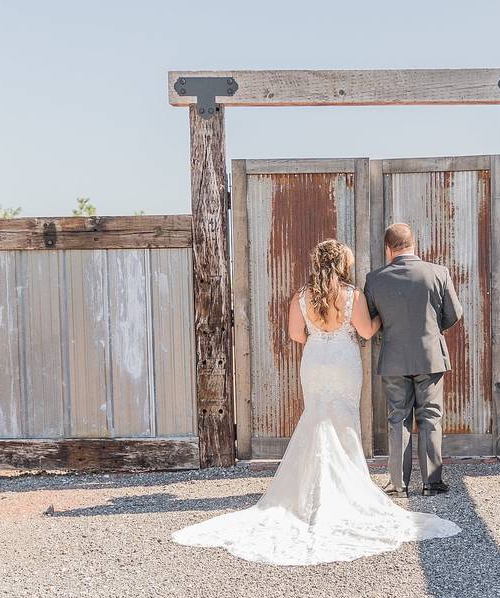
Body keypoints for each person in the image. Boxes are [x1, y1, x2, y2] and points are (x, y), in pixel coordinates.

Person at [172, 239, 459, 565]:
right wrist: (382, 321)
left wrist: (319, 335)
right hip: (343, 360)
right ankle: (347, 486)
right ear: (343, 264)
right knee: (343, 420)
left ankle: (307, 487)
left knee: (317, 417)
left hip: (315, 360)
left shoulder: (301, 296)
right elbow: (366, 332)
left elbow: (296, 335)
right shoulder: (352, 295)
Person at [364, 223, 463, 498]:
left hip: (394, 358)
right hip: (430, 356)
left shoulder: (374, 279)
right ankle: (432, 483)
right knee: (430, 417)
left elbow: (373, 318)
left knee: (398, 419)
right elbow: (454, 313)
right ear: (413, 244)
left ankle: (398, 484)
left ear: (388, 249)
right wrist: (432, 330)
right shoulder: (437, 273)